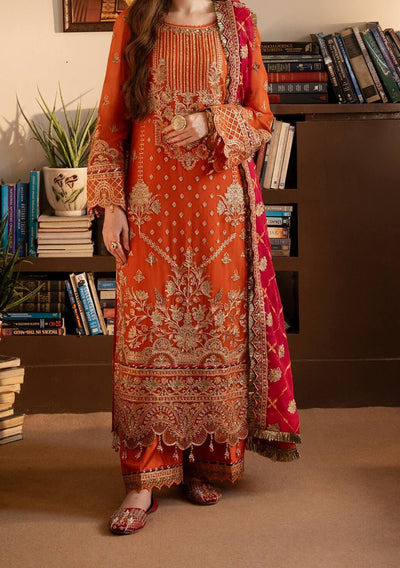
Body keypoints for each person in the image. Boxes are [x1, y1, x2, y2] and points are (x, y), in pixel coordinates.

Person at [87, 0, 301, 536]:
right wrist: (112, 206)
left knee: (214, 333)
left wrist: (211, 120)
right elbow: (110, 122)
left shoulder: (238, 23)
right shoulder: (135, 21)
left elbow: (262, 118)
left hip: (219, 212)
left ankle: (204, 460)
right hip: (150, 211)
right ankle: (142, 480)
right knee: (148, 335)